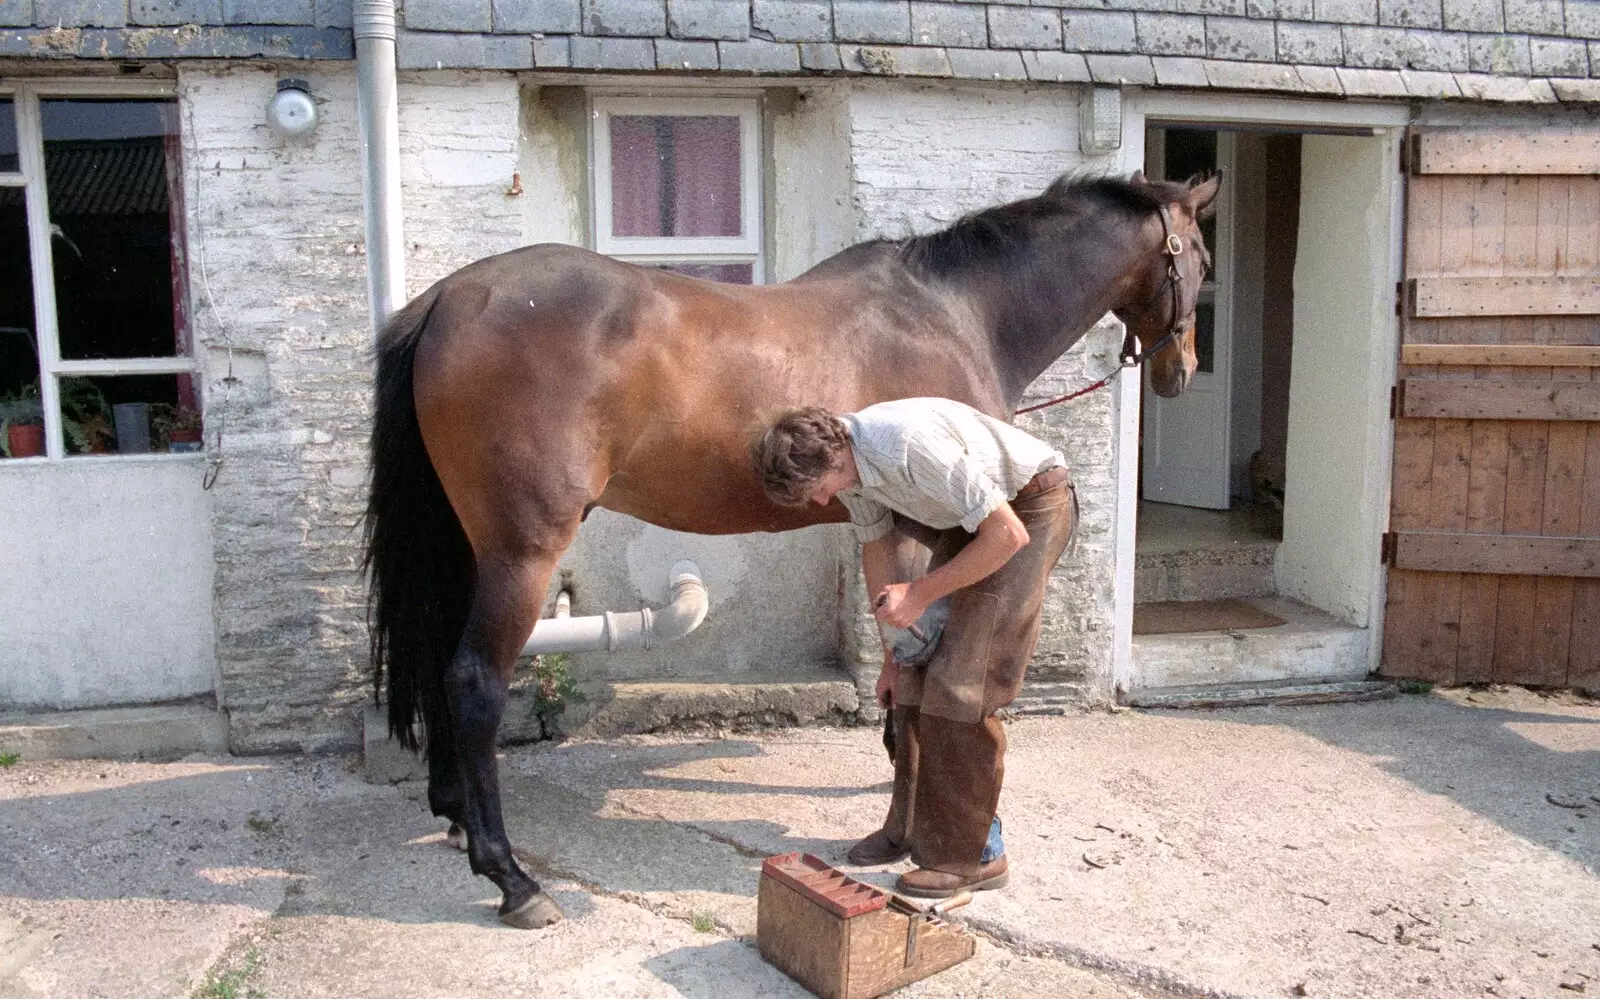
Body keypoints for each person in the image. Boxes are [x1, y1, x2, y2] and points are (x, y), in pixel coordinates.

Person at [753, 397, 1076, 898]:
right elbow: (877, 550)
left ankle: (973, 856)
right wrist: (891, 655)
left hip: (1028, 510)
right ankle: (910, 829)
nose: (820, 503)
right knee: (914, 674)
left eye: (816, 490)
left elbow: (1007, 534)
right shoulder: (854, 470)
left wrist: (922, 593)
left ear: (834, 459)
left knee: (962, 684)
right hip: (973, 522)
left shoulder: (906, 445)